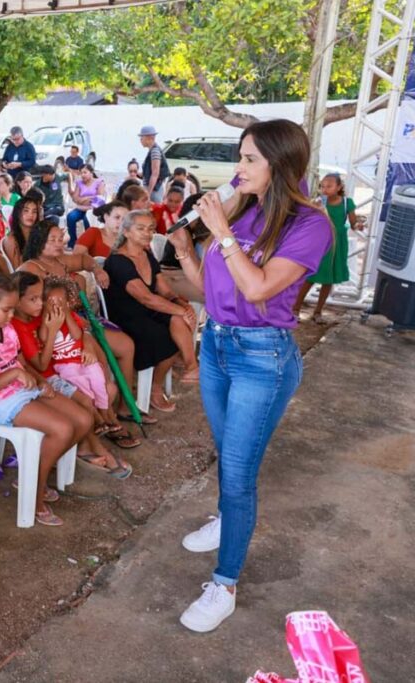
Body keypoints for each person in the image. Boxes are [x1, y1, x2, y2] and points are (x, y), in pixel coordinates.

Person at [167, 119, 332, 632]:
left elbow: (258, 289)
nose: (237, 168)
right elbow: (213, 288)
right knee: (227, 455)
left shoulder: (310, 224)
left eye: (248, 159)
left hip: (262, 358)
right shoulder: (246, 209)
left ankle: (225, 584)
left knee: (239, 474)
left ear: (279, 165)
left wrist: (221, 232)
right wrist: (186, 250)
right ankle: (228, 519)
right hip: (217, 345)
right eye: (239, 157)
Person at [0, 274, 96, 525]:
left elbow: (20, 361)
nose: (11, 315)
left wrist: (41, 381)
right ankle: (35, 495)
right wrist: (14, 374)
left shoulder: (6, 328)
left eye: (13, 309)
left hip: (22, 388)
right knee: (63, 429)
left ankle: (32, 477)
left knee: (84, 419)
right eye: (6, 310)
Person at [12, 272, 138, 450]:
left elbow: (82, 329)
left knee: (108, 387)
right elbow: (40, 364)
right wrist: (53, 329)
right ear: (17, 301)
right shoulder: (28, 322)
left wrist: (86, 344)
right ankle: (97, 433)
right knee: (87, 399)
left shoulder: (42, 312)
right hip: (54, 374)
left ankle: (106, 419)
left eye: (41, 298)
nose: (41, 303)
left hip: (69, 367)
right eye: (37, 299)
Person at [104, 209, 199, 414]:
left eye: (151, 229)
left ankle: (190, 368)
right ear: (126, 232)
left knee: (179, 321)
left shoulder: (146, 254)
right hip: (126, 317)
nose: (147, 233)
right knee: (166, 335)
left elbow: (164, 290)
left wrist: (181, 304)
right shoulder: (118, 260)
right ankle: (158, 386)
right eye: (141, 229)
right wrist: (180, 310)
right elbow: (145, 298)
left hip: (148, 310)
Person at [293, 173, 363, 323]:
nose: (325, 189)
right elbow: (308, 221)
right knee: (310, 276)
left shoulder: (347, 203)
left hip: (338, 245)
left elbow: (353, 224)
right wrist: (315, 208)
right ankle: (295, 309)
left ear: (339, 187)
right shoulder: (319, 202)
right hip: (320, 243)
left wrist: (359, 225)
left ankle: (318, 312)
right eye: (322, 186)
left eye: (329, 186)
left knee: (328, 279)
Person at [66, 164, 107, 244]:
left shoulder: (99, 182)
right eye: (81, 173)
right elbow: (75, 199)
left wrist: (82, 200)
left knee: (87, 219)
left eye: (85, 172)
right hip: (81, 209)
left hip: (93, 210)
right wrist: (88, 198)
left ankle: (88, 243)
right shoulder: (79, 183)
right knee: (70, 217)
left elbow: (99, 200)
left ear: (91, 173)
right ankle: (72, 242)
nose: (82, 175)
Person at [138, 125, 170, 203]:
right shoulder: (153, 151)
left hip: (154, 190)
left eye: (142, 137)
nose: (140, 140)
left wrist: (148, 192)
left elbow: (155, 173)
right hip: (153, 189)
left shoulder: (155, 151)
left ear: (149, 138)